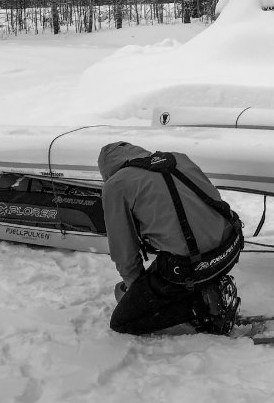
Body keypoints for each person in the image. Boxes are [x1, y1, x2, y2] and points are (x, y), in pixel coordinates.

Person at [98, 141, 243, 335]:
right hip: (231, 246)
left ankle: (203, 304)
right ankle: (208, 285)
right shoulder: (177, 158)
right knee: (169, 269)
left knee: (122, 321)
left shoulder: (116, 185)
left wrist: (135, 289)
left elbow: (124, 250)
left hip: (193, 267)